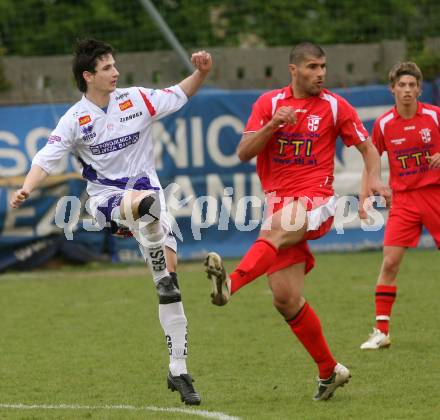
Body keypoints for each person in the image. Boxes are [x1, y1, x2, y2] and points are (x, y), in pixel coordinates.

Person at [10, 38, 212, 405]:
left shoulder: (136, 99)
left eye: (115, 65)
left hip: (150, 195)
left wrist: (200, 72)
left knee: (171, 287)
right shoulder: (75, 119)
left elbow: (178, 94)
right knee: (145, 207)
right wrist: (26, 187)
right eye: (106, 67)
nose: (115, 71)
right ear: (88, 76)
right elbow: (47, 155)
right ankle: (124, 225)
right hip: (106, 199)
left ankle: (179, 369)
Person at [204, 42, 391, 401]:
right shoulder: (269, 105)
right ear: (293, 70)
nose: (320, 73)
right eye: (312, 67)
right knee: (286, 298)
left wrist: (375, 182)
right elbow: (244, 152)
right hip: (278, 203)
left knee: (276, 228)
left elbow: (368, 149)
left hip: (315, 200)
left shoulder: (335, 106)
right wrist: (274, 124)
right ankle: (329, 371)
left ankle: (230, 285)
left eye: (323, 66)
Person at [359, 62, 440, 350]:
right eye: (401, 85)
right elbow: (371, 162)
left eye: (412, 85)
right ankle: (381, 331)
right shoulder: (383, 124)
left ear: (419, 89)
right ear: (392, 89)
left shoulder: (434, 116)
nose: (407, 90)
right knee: (390, 262)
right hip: (403, 201)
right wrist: (364, 195)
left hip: (435, 194)